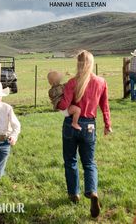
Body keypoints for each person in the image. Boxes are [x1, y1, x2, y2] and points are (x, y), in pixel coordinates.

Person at [58, 50, 112, 218]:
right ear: (92, 62)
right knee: (89, 162)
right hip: (89, 125)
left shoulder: (72, 83)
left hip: (71, 126)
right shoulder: (101, 82)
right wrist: (107, 125)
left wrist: (56, 96)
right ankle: (92, 191)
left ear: (78, 63)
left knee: (70, 160)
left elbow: (63, 106)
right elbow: (105, 106)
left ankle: (74, 193)